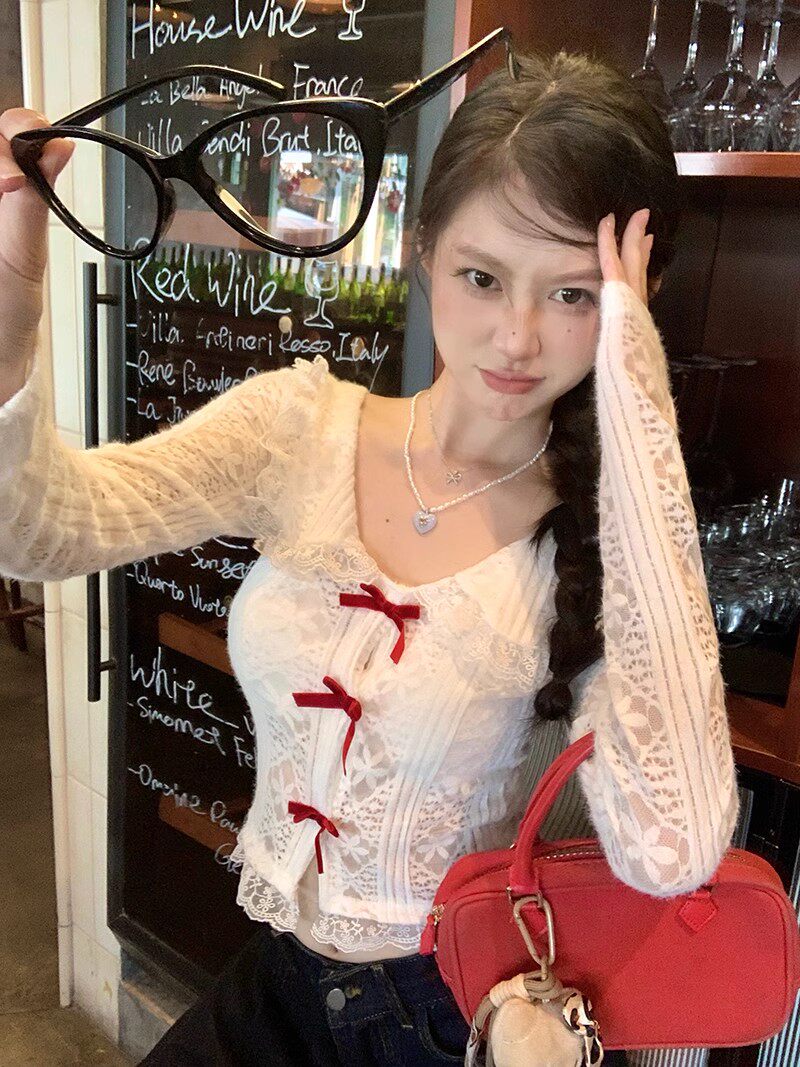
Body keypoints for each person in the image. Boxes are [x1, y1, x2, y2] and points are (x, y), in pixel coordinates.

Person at [0, 46, 739, 1067]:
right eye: (481, 277)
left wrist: (637, 409)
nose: (516, 338)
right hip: (279, 980)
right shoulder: (299, 429)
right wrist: (13, 292)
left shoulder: (608, 541)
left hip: (448, 1016)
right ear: (423, 250)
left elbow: (673, 847)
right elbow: (43, 528)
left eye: (573, 296)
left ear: (633, 301)